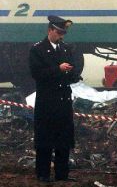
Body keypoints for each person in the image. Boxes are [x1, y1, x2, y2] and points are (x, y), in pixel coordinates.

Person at [29, 15, 80, 183]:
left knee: (63, 140)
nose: (61, 36)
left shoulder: (66, 49)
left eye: (63, 33)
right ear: (50, 30)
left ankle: (62, 173)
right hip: (47, 101)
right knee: (45, 140)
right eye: (58, 32)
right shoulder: (38, 50)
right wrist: (58, 69)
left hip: (63, 101)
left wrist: (72, 74)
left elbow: (73, 71)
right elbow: (37, 74)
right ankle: (43, 173)